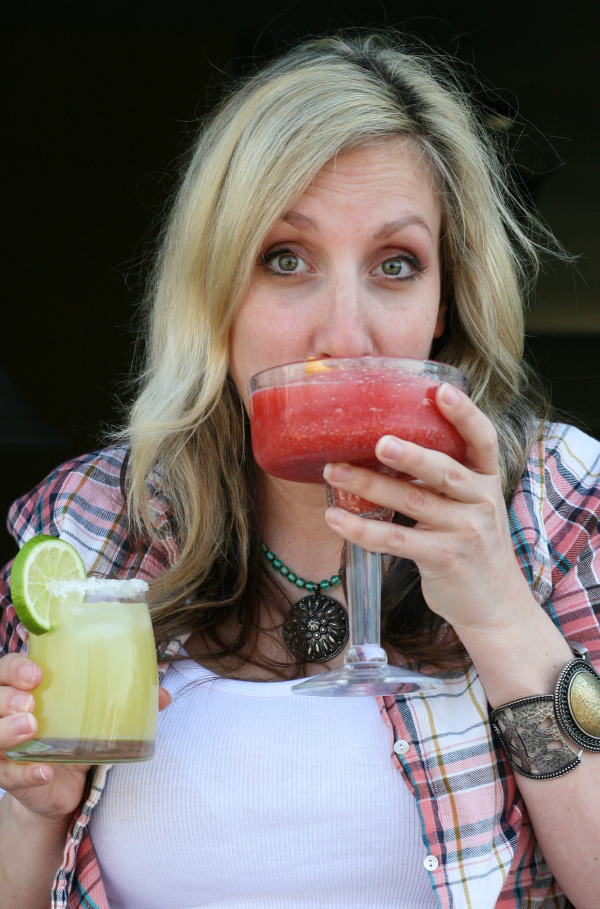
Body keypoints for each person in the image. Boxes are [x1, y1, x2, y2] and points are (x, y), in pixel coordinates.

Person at [0, 33, 599, 909]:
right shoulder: (89, 520)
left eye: (396, 265)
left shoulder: (560, 497)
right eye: (286, 259)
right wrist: (31, 811)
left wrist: (502, 611)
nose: (345, 334)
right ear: (218, 290)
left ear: (445, 304)